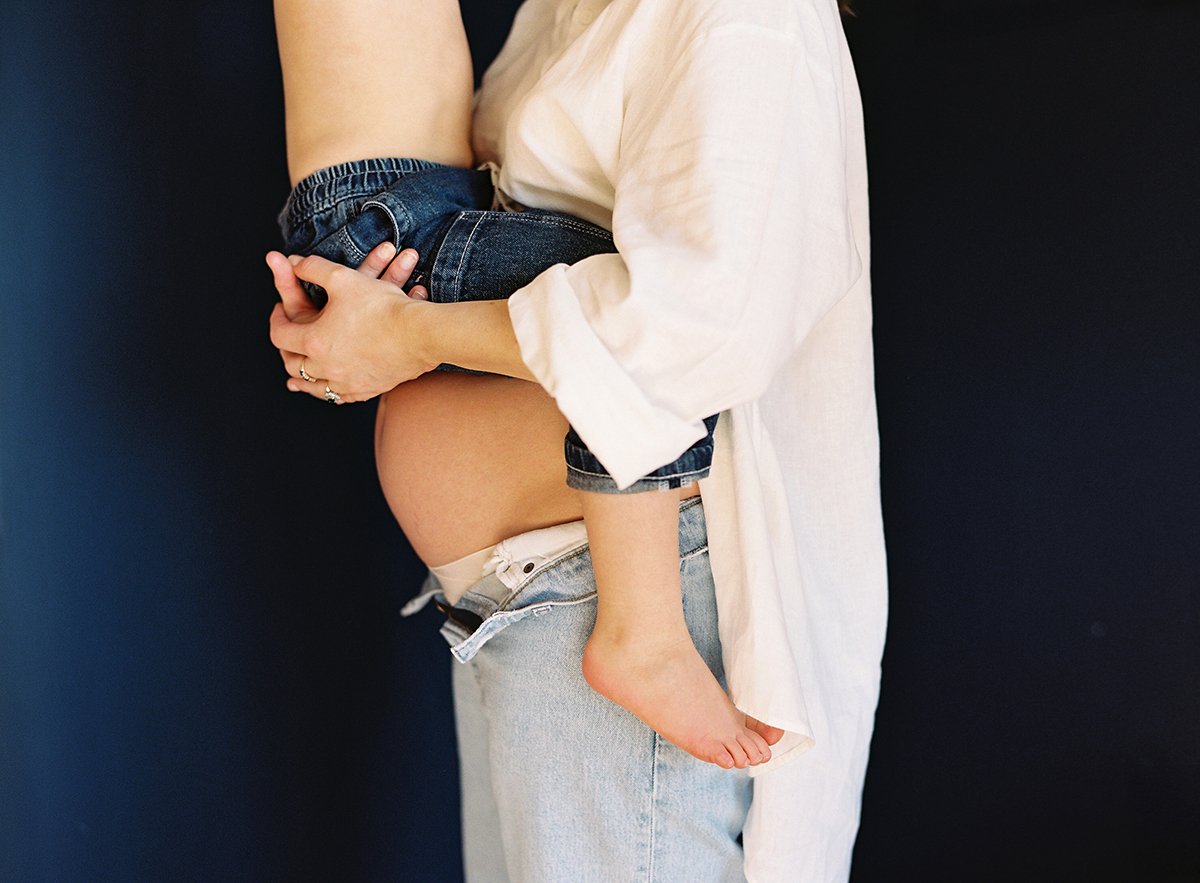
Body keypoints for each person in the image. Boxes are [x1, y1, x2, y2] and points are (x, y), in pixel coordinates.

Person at [268, 0, 886, 880]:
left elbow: (694, 329)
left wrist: (405, 336)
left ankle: (645, 636)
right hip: (528, 594)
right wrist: (361, 327)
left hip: (622, 587)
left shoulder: (746, 17)